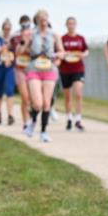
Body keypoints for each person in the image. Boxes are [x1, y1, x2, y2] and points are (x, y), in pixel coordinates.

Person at [24, 10, 64, 143]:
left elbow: (61, 51)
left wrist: (58, 57)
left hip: (49, 68)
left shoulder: (54, 35)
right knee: (38, 103)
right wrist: (26, 43)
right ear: (36, 20)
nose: (43, 20)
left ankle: (44, 132)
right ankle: (33, 122)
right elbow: (22, 51)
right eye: (40, 18)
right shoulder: (31, 34)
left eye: (45, 17)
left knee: (47, 103)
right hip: (34, 68)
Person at [60, 16, 89, 131]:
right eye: (69, 24)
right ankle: (69, 118)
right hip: (65, 69)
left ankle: (78, 119)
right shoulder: (62, 39)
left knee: (78, 93)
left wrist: (84, 54)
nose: (71, 25)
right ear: (66, 25)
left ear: (75, 25)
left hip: (78, 68)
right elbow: (58, 51)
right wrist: (63, 54)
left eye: (73, 23)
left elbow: (86, 50)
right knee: (67, 96)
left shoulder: (80, 38)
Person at [11, 17, 34, 132]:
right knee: (25, 98)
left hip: (32, 69)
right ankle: (26, 123)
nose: (26, 27)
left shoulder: (35, 35)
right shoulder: (15, 36)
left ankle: (30, 119)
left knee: (32, 98)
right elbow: (17, 52)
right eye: (24, 25)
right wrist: (24, 41)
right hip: (19, 69)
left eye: (28, 24)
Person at [0, 19, 17, 126]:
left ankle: (10, 115)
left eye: (9, 29)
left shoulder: (14, 40)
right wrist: (0, 50)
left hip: (10, 68)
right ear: (2, 29)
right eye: (5, 28)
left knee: (9, 91)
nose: (7, 30)